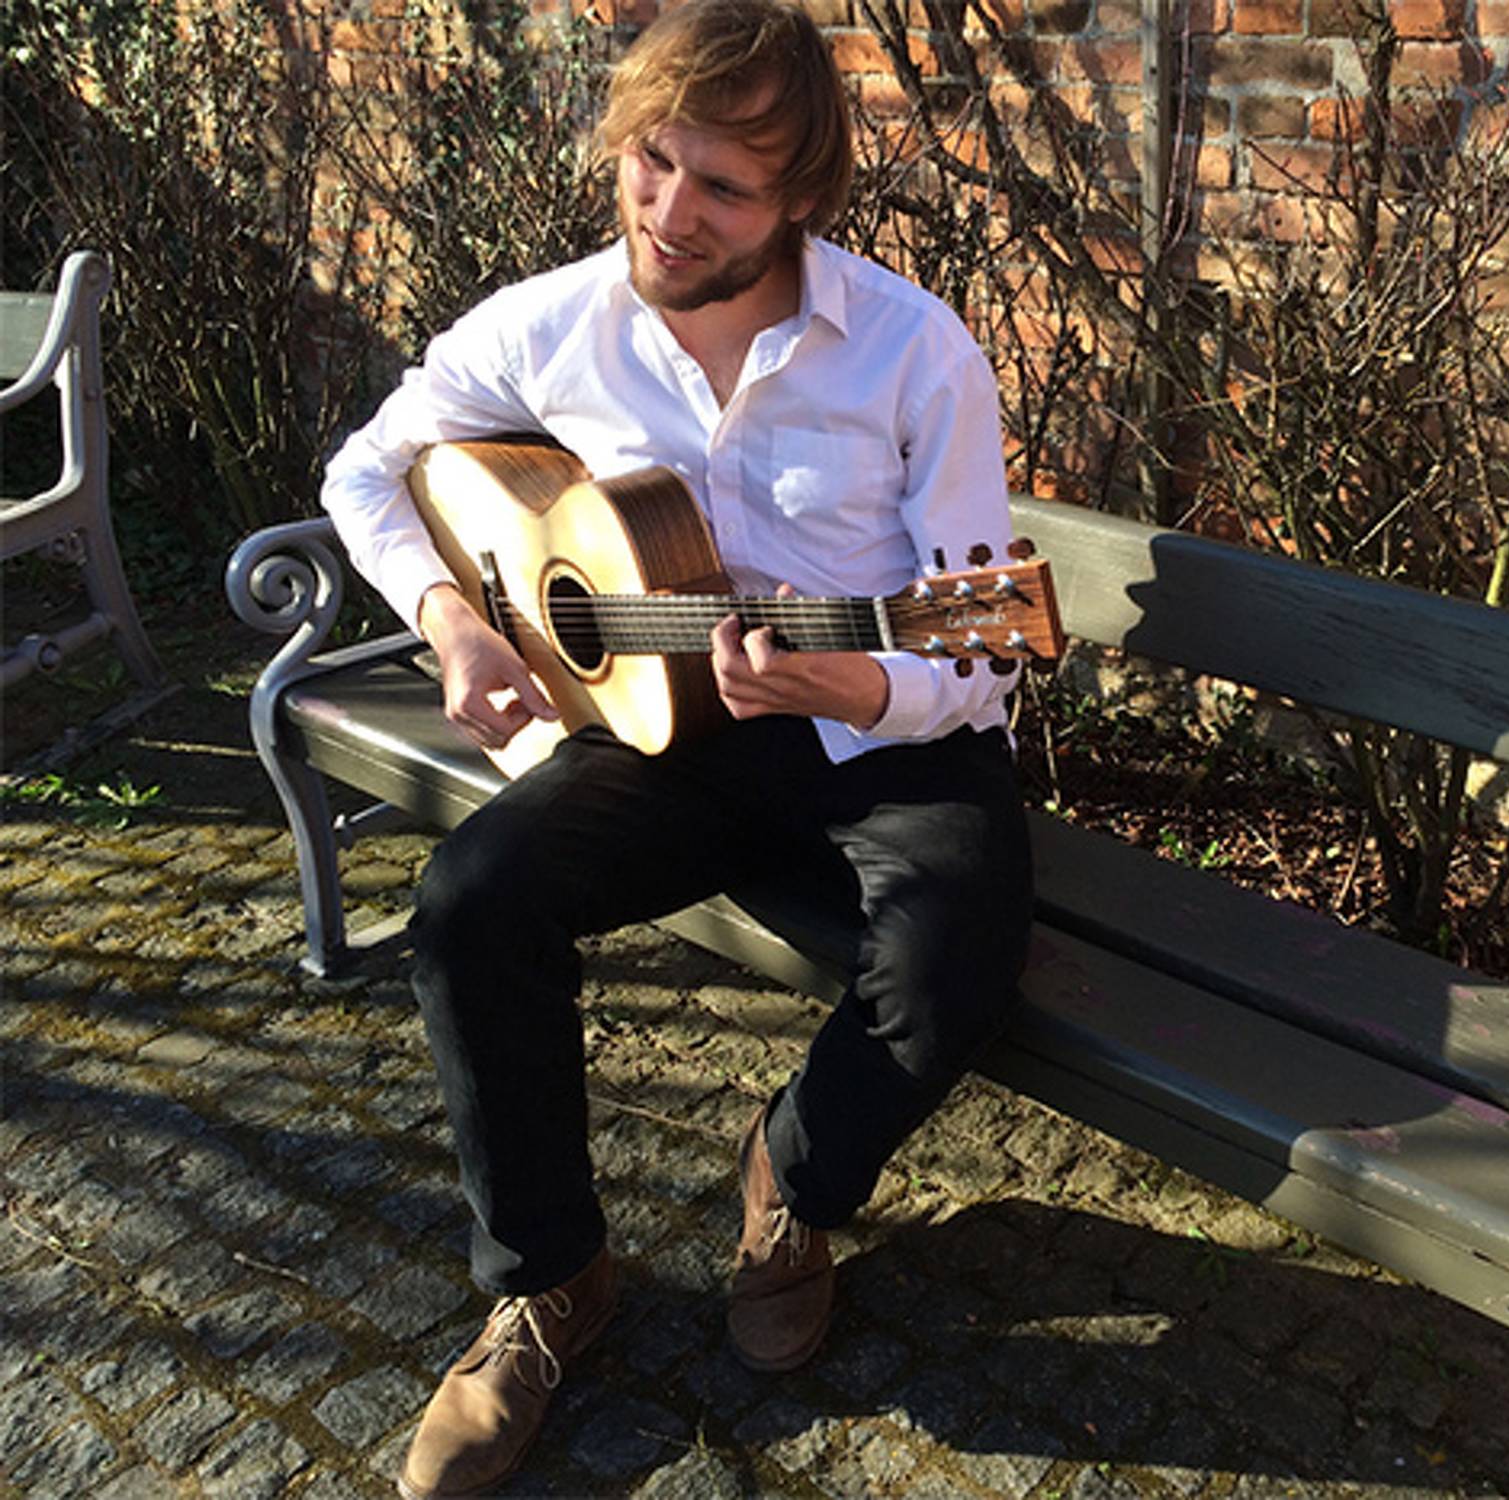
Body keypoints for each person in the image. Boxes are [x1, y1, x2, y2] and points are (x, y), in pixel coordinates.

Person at [318, 3, 1034, 1496]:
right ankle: (551, 1281)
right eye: (652, 160)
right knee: (468, 904)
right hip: (659, 728)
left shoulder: (914, 351)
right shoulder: (551, 323)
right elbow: (366, 472)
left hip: (880, 735)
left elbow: (980, 652)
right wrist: (458, 625)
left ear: (801, 200)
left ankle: (792, 1176)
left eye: (723, 188)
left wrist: (853, 682)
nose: (668, 210)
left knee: (951, 963)